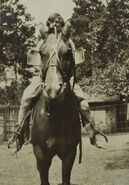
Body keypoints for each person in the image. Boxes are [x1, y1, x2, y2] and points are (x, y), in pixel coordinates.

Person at [8, 13, 107, 155]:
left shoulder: (68, 41)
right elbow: (37, 62)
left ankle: (93, 132)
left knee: (84, 104)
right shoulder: (42, 42)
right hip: (43, 78)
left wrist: (67, 75)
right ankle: (19, 135)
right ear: (48, 26)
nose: (55, 25)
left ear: (62, 26)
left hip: (66, 79)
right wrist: (44, 74)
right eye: (52, 23)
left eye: (58, 23)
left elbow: (74, 61)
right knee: (25, 99)